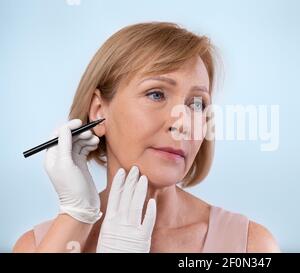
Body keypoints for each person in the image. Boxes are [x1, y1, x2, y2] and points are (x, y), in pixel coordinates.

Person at [13, 22, 280, 253]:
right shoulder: (36, 245)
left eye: (197, 104)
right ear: (98, 110)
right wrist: (78, 215)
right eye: (156, 94)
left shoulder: (249, 245)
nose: (183, 123)